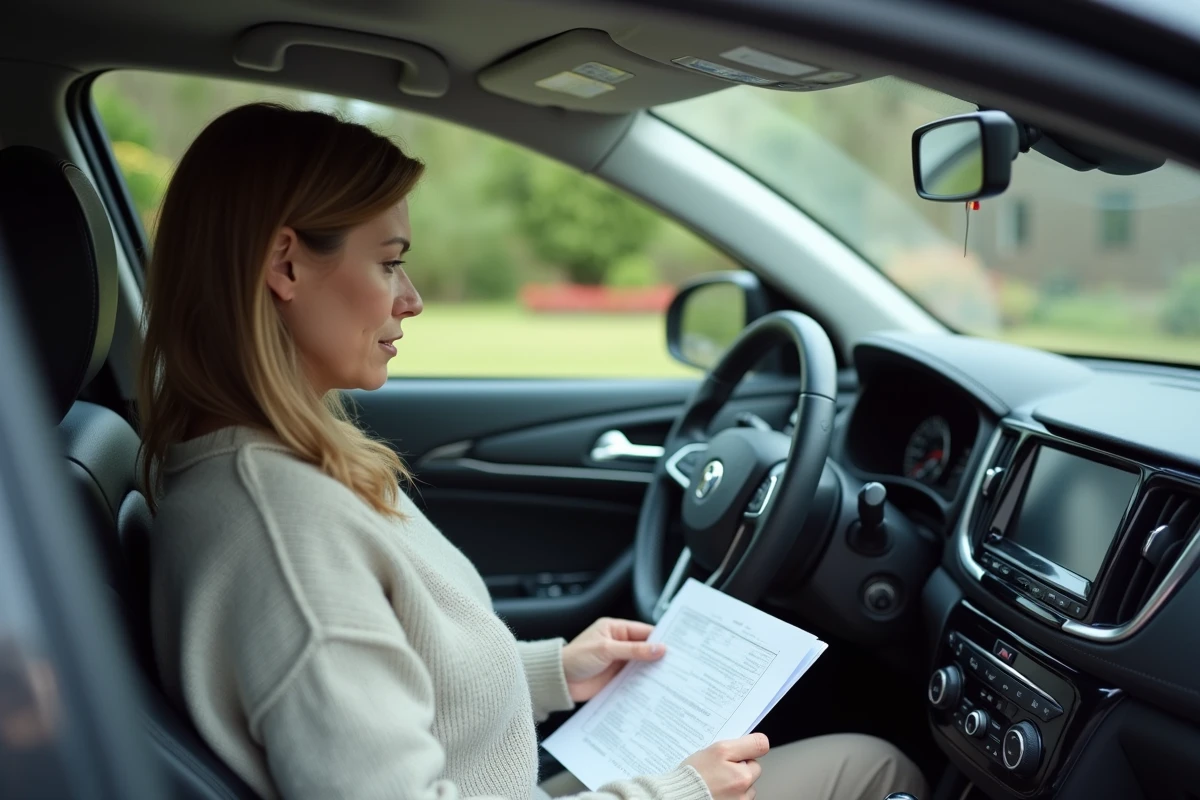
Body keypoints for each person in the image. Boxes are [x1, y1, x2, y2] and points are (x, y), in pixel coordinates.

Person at [139, 103, 928, 800]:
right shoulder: (286, 534)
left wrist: (555, 672)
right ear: (284, 265)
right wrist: (677, 792)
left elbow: (369, 689)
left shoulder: (252, 470)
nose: (410, 298)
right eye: (388, 261)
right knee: (874, 771)